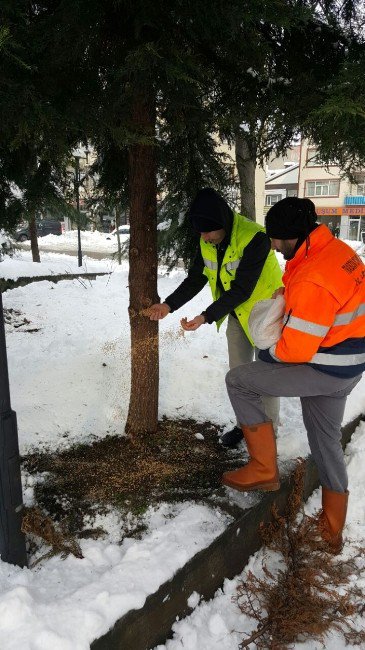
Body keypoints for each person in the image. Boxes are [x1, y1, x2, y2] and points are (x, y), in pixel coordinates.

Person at [222, 196, 365, 554]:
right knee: (325, 441)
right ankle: (331, 531)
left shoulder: (315, 276)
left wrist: (267, 351)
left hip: (325, 367)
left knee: (239, 380)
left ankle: (262, 468)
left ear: (292, 236)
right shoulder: (335, 251)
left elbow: (295, 351)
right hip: (349, 362)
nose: (272, 245)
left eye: (275, 239)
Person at [147, 188, 283, 443]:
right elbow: (196, 278)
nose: (204, 237)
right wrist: (168, 305)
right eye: (200, 232)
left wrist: (205, 317)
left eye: (209, 231)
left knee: (266, 377)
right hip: (236, 314)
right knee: (239, 375)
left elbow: (242, 289)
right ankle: (245, 425)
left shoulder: (255, 237)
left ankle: (268, 436)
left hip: (267, 314)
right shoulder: (207, 237)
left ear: (223, 223)